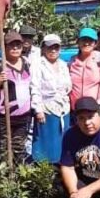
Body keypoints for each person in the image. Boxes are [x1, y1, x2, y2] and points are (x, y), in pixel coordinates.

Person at [0, 31, 40, 164]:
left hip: (24, 115)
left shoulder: (28, 63)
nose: (15, 48)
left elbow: (34, 85)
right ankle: (5, 176)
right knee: (4, 148)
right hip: (4, 116)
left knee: (19, 148)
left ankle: (18, 175)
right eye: (11, 46)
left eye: (18, 45)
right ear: (5, 47)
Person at [30, 34, 72, 163]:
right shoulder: (38, 64)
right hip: (46, 109)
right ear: (43, 48)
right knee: (46, 143)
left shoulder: (64, 65)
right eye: (50, 47)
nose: (53, 50)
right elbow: (34, 87)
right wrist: (38, 109)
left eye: (56, 47)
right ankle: (45, 171)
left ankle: (62, 167)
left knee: (62, 141)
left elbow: (68, 87)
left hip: (63, 109)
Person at [69, 27, 100, 110]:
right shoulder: (72, 60)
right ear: (78, 42)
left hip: (94, 107)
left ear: (95, 43)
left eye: (90, 41)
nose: (87, 43)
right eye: (84, 40)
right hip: (75, 108)